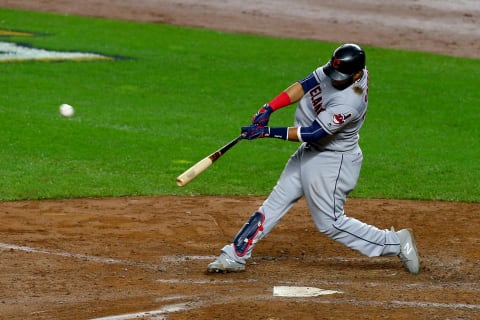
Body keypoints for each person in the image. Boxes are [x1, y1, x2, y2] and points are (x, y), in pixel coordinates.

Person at [207, 43, 420, 274]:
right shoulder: (340, 68)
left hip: (332, 161)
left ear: (357, 74)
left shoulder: (351, 101)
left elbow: (313, 132)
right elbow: (306, 83)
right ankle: (235, 255)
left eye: (341, 77)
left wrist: (266, 132)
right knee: (276, 201)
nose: (335, 79)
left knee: (331, 223)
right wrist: (270, 107)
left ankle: (395, 242)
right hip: (310, 151)